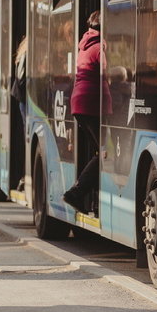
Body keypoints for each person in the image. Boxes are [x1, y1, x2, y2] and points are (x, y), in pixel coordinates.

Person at [63, 11, 110, 213]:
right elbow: (107, 72)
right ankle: (76, 193)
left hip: (80, 103)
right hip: (92, 103)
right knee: (105, 153)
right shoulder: (100, 47)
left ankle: (91, 199)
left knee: (99, 152)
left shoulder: (84, 45)